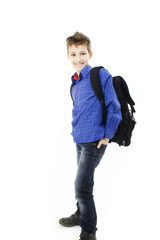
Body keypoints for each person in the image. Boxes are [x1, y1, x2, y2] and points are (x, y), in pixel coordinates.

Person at [59, 32, 122, 240]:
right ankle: (81, 213)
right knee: (84, 181)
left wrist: (107, 136)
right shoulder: (75, 82)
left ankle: (88, 231)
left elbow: (115, 107)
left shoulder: (99, 74)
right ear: (68, 56)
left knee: (82, 186)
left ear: (90, 53)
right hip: (79, 138)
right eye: (74, 54)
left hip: (95, 141)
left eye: (82, 53)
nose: (78, 58)